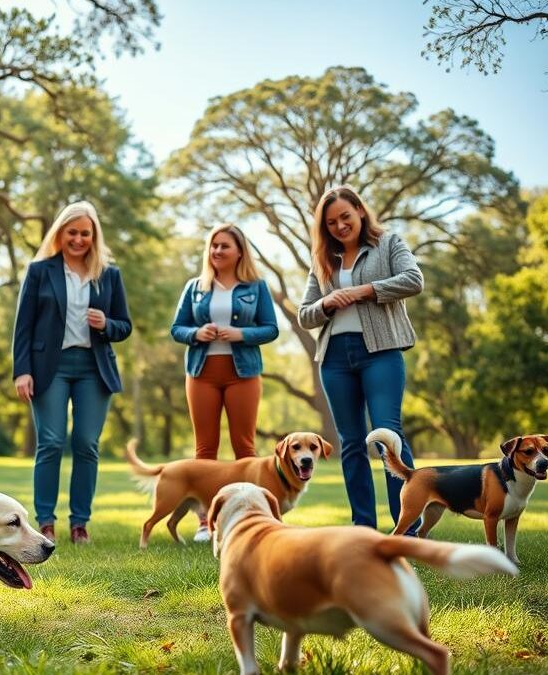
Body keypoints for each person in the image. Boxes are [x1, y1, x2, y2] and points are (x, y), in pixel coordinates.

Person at [298, 185, 423, 531]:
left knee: (387, 435)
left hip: (380, 352)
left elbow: (413, 280)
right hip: (335, 358)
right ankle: (363, 529)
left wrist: (365, 291)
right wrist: (326, 303)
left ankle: (408, 528)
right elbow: (304, 315)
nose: (340, 226)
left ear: (360, 212)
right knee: (351, 444)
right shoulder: (322, 260)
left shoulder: (389, 244)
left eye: (345, 217)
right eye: (331, 222)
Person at [12, 201, 132, 545]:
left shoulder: (109, 274)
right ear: (61, 233)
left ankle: (80, 525)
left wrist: (106, 323)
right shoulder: (40, 271)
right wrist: (22, 370)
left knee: (86, 444)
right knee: (50, 442)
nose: (79, 239)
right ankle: (45, 522)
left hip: (94, 369)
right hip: (49, 368)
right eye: (73, 232)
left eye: (85, 233)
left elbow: (124, 326)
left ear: (94, 237)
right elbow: (24, 326)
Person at [170, 224, 279, 542]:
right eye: (213, 245)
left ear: (240, 251)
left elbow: (271, 329)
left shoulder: (256, 287)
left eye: (225, 246)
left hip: (242, 373)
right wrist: (196, 333)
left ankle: (252, 516)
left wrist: (241, 334)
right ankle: (206, 522)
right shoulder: (195, 287)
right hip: (202, 372)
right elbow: (177, 328)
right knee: (205, 451)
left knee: (245, 449)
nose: (217, 251)